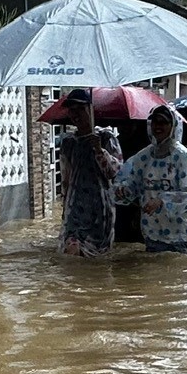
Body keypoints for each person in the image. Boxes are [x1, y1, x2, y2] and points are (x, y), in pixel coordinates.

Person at [113, 103, 187, 252]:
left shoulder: (182, 157)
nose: (158, 126)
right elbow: (131, 182)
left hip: (179, 234)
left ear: (173, 125)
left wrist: (162, 201)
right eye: (155, 122)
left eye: (163, 122)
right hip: (152, 232)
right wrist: (123, 190)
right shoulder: (144, 156)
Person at [57, 91, 122, 259]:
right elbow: (66, 178)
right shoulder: (68, 142)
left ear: (91, 110)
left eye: (80, 108)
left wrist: (100, 151)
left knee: (98, 256)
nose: (76, 114)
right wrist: (65, 209)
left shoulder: (106, 138)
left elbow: (115, 172)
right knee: (71, 248)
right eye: (72, 110)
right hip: (75, 208)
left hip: (100, 208)